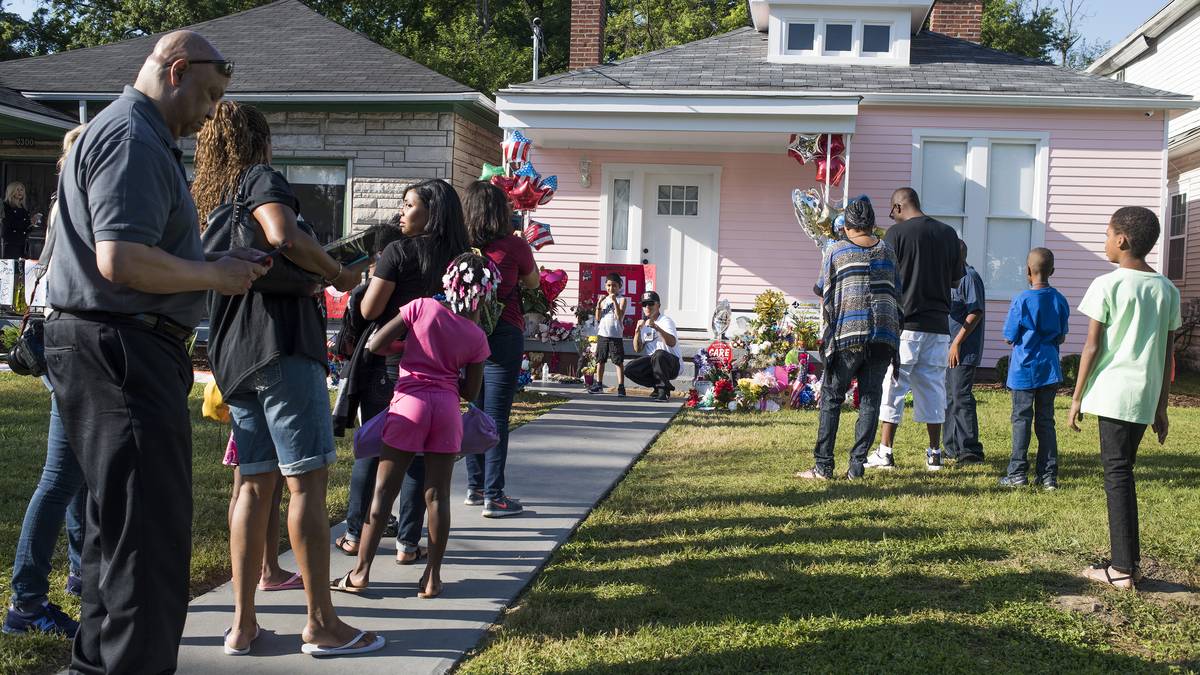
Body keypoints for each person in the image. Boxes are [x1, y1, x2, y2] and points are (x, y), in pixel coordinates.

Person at [43, 31, 268, 673]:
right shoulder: (134, 139)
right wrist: (215, 276)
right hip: (122, 350)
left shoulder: (127, 133)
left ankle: (99, 662)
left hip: (111, 347)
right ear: (176, 70)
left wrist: (209, 262)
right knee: (145, 544)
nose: (208, 115)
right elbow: (121, 260)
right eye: (208, 95)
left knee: (115, 535)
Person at [192, 100, 381, 657]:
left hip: (234, 357)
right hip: (282, 349)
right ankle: (322, 623)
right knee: (307, 485)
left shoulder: (214, 200)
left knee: (253, 485)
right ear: (262, 142)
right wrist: (338, 272)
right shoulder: (261, 178)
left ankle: (243, 625)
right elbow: (283, 234)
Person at [331, 252, 492, 597]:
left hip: (410, 405)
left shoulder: (421, 308)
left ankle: (360, 573)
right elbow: (471, 390)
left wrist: (409, 346)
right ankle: (432, 578)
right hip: (447, 410)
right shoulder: (477, 336)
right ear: (485, 293)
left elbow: (376, 344)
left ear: (449, 281)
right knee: (437, 496)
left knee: (384, 491)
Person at [341, 180, 468, 552]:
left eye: (409, 204)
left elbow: (370, 310)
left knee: (376, 446)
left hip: (390, 363)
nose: (401, 211)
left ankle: (354, 534)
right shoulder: (461, 259)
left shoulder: (398, 252)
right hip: (439, 366)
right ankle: (408, 543)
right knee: (419, 457)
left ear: (432, 213)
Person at [4, 126, 88, 639]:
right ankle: (26, 602)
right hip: (69, 347)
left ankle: (80, 573)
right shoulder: (74, 203)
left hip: (58, 340)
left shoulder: (62, 203)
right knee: (60, 478)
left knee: (73, 475)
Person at [1069, 207, 1180, 590]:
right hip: (1144, 397)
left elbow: (1091, 346)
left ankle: (1120, 569)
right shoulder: (1167, 289)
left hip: (1114, 395)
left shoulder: (1107, 284)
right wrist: (1161, 406)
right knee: (1124, 473)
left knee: (1117, 476)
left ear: (1122, 240)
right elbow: (1167, 354)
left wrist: (1076, 397)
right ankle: (1127, 562)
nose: (1104, 242)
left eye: (1106, 234)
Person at [795, 196, 901, 481]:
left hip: (848, 336)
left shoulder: (836, 250)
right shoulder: (888, 251)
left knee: (832, 397)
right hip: (884, 335)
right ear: (872, 223)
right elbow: (896, 292)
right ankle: (856, 466)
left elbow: (822, 289)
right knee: (869, 397)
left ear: (847, 224)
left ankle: (823, 466)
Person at [867, 187, 962, 472]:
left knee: (893, 387)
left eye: (891, 212)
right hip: (939, 325)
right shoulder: (949, 234)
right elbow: (956, 282)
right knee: (933, 389)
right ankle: (934, 453)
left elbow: (882, 278)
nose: (891, 218)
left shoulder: (896, 236)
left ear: (898, 207)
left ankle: (885, 452)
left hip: (905, 324)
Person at [464, 181, 539, 518]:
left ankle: (475, 487)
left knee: (473, 410)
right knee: (497, 416)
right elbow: (534, 282)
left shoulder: (460, 247)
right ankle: (495, 495)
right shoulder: (513, 246)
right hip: (504, 332)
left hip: (465, 335)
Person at [1000, 248, 1070, 489]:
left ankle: (1018, 473)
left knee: (1021, 420)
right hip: (1049, 368)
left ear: (1027, 271)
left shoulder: (1021, 300)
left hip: (1023, 369)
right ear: (1052, 271)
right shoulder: (1060, 299)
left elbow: (1009, 336)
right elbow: (1061, 337)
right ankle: (1049, 476)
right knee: (1046, 421)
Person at [943, 240, 987, 465]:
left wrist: (957, 343)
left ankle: (970, 450)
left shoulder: (969, 278)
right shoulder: (950, 280)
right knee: (950, 398)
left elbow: (975, 312)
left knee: (961, 397)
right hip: (950, 348)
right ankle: (951, 448)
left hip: (963, 350)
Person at [625, 290, 681, 401]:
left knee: (658, 354)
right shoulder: (644, 324)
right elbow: (637, 349)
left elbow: (672, 342)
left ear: (658, 305)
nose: (647, 307)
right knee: (629, 369)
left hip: (671, 363)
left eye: (650, 303)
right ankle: (658, 385)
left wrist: (656, 327)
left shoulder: (665, 321)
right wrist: (637, 331)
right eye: (644, 304)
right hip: (654, 363)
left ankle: (663, 391)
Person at [590, 272, 627, 396]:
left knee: (618, 361)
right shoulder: (603, 300)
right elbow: (598, 317)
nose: (611, 288)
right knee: (600, 360)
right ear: (605, 286)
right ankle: (599, 384)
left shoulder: (622, 299)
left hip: (615, 335)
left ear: (619, 286)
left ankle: (621, 387)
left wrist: (615, 301)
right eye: (609, 285)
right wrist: (598, 305)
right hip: (603, 334)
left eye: (614, 286)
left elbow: (619, 316)